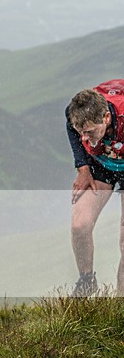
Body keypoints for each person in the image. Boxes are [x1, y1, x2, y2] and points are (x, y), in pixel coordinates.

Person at [67, 80, 124, 296]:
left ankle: (120, 308)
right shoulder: (76, 113)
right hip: (101, 163)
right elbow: (70, 126)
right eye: (80, 131)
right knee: (79, 225)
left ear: (106, 118)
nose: (84, 138)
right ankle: (87, 281)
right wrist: (82, 167)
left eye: (89, 132)